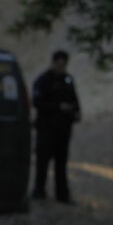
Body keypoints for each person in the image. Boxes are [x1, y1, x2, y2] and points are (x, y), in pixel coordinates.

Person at [31, 50, 81, 203]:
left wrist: (76, 112)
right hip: (46, 128)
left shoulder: (67, 79)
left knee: (61, 163)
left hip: (63, 130)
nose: (61, 68)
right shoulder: (44, 80)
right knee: (43, 161)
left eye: (63, 65)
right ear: (53, 63)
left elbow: (74, 99)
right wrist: (58, 107)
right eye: (59, 64)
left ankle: (62, 195)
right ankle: (39, 191)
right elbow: (37, 102)